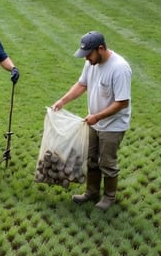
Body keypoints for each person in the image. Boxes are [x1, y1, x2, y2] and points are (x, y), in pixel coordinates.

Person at [51, 31, 132, 211]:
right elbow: (82, 84)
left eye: (89, 54)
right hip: (94, 121)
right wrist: (63, 101)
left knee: (107, 162)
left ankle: (109, 197)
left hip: (113, 125)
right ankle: (92, 192)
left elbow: (122, 102)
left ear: (101, 48)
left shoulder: (119, 68)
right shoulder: (92, 63)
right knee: (91, 158)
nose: (86, 59)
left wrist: (98, 116)